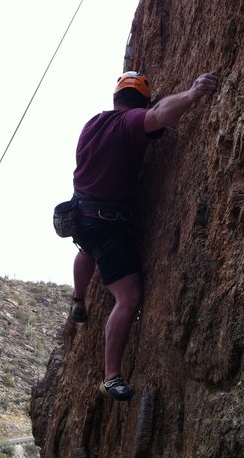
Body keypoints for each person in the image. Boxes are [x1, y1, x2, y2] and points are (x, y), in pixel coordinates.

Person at [70, 70, 218, 401]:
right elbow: (159, 116)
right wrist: (193, 93)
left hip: (81, 215)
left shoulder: (93, 123)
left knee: (86, 248)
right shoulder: (129, 123)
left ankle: (78, 299)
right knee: (128, 297)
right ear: (142, 101)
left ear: (116, 98)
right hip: (107, 223)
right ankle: (110, 377)